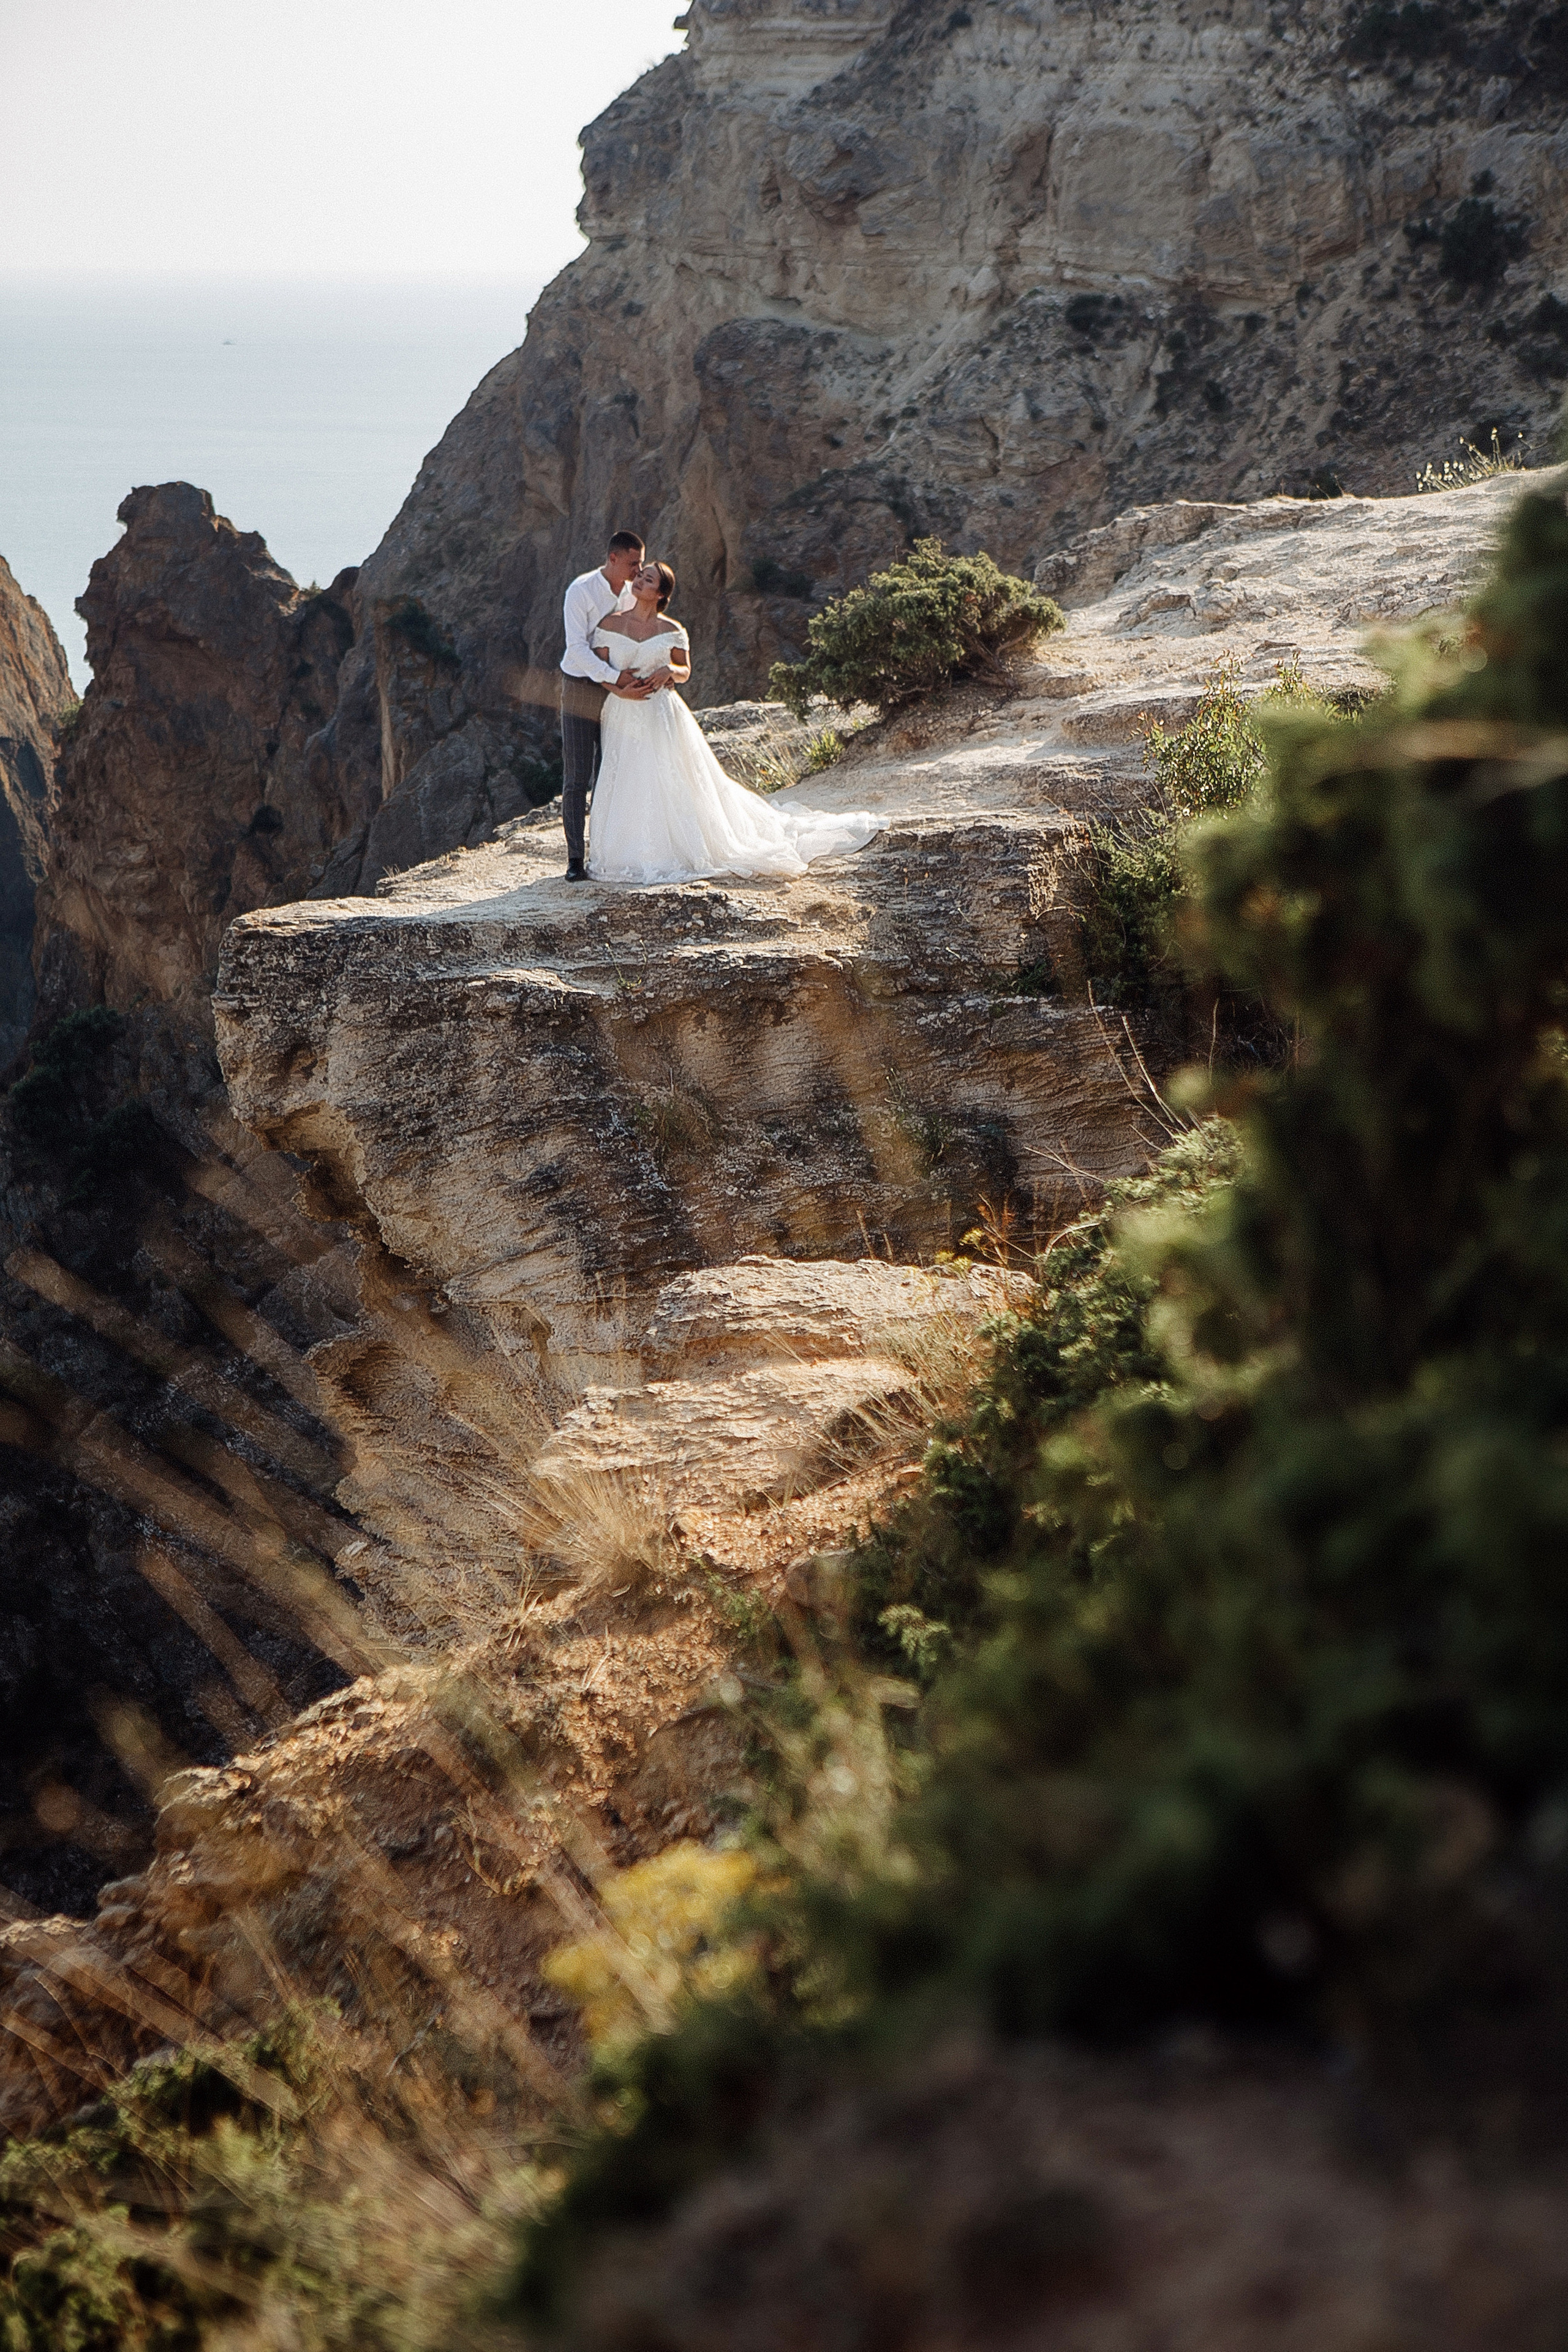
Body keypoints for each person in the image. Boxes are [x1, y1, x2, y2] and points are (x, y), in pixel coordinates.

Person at [586, 559, 881, 884]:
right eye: (640, 576)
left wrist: (670, 671)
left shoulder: (672, 630)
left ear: (660, 594)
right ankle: (627, 851)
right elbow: (600, 671)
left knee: (669, 774)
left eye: (649, 579)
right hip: (624, 710)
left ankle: (677, 844)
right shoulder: (610, 625)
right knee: (627, 773)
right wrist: (621, 691)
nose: (640, 581)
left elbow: (686, 672)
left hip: (662, 712)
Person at [559, 529, 654, 881]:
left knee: (612, 770)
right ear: (613, 559)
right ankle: (574, 860)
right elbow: (576, 650)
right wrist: (613, 681)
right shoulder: (580, 591)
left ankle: (605, 852)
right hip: (581, 687)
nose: (638, 569)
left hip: (618, 688)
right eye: (633, 563)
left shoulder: (634, 594)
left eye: (641, 562)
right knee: (577, 776)